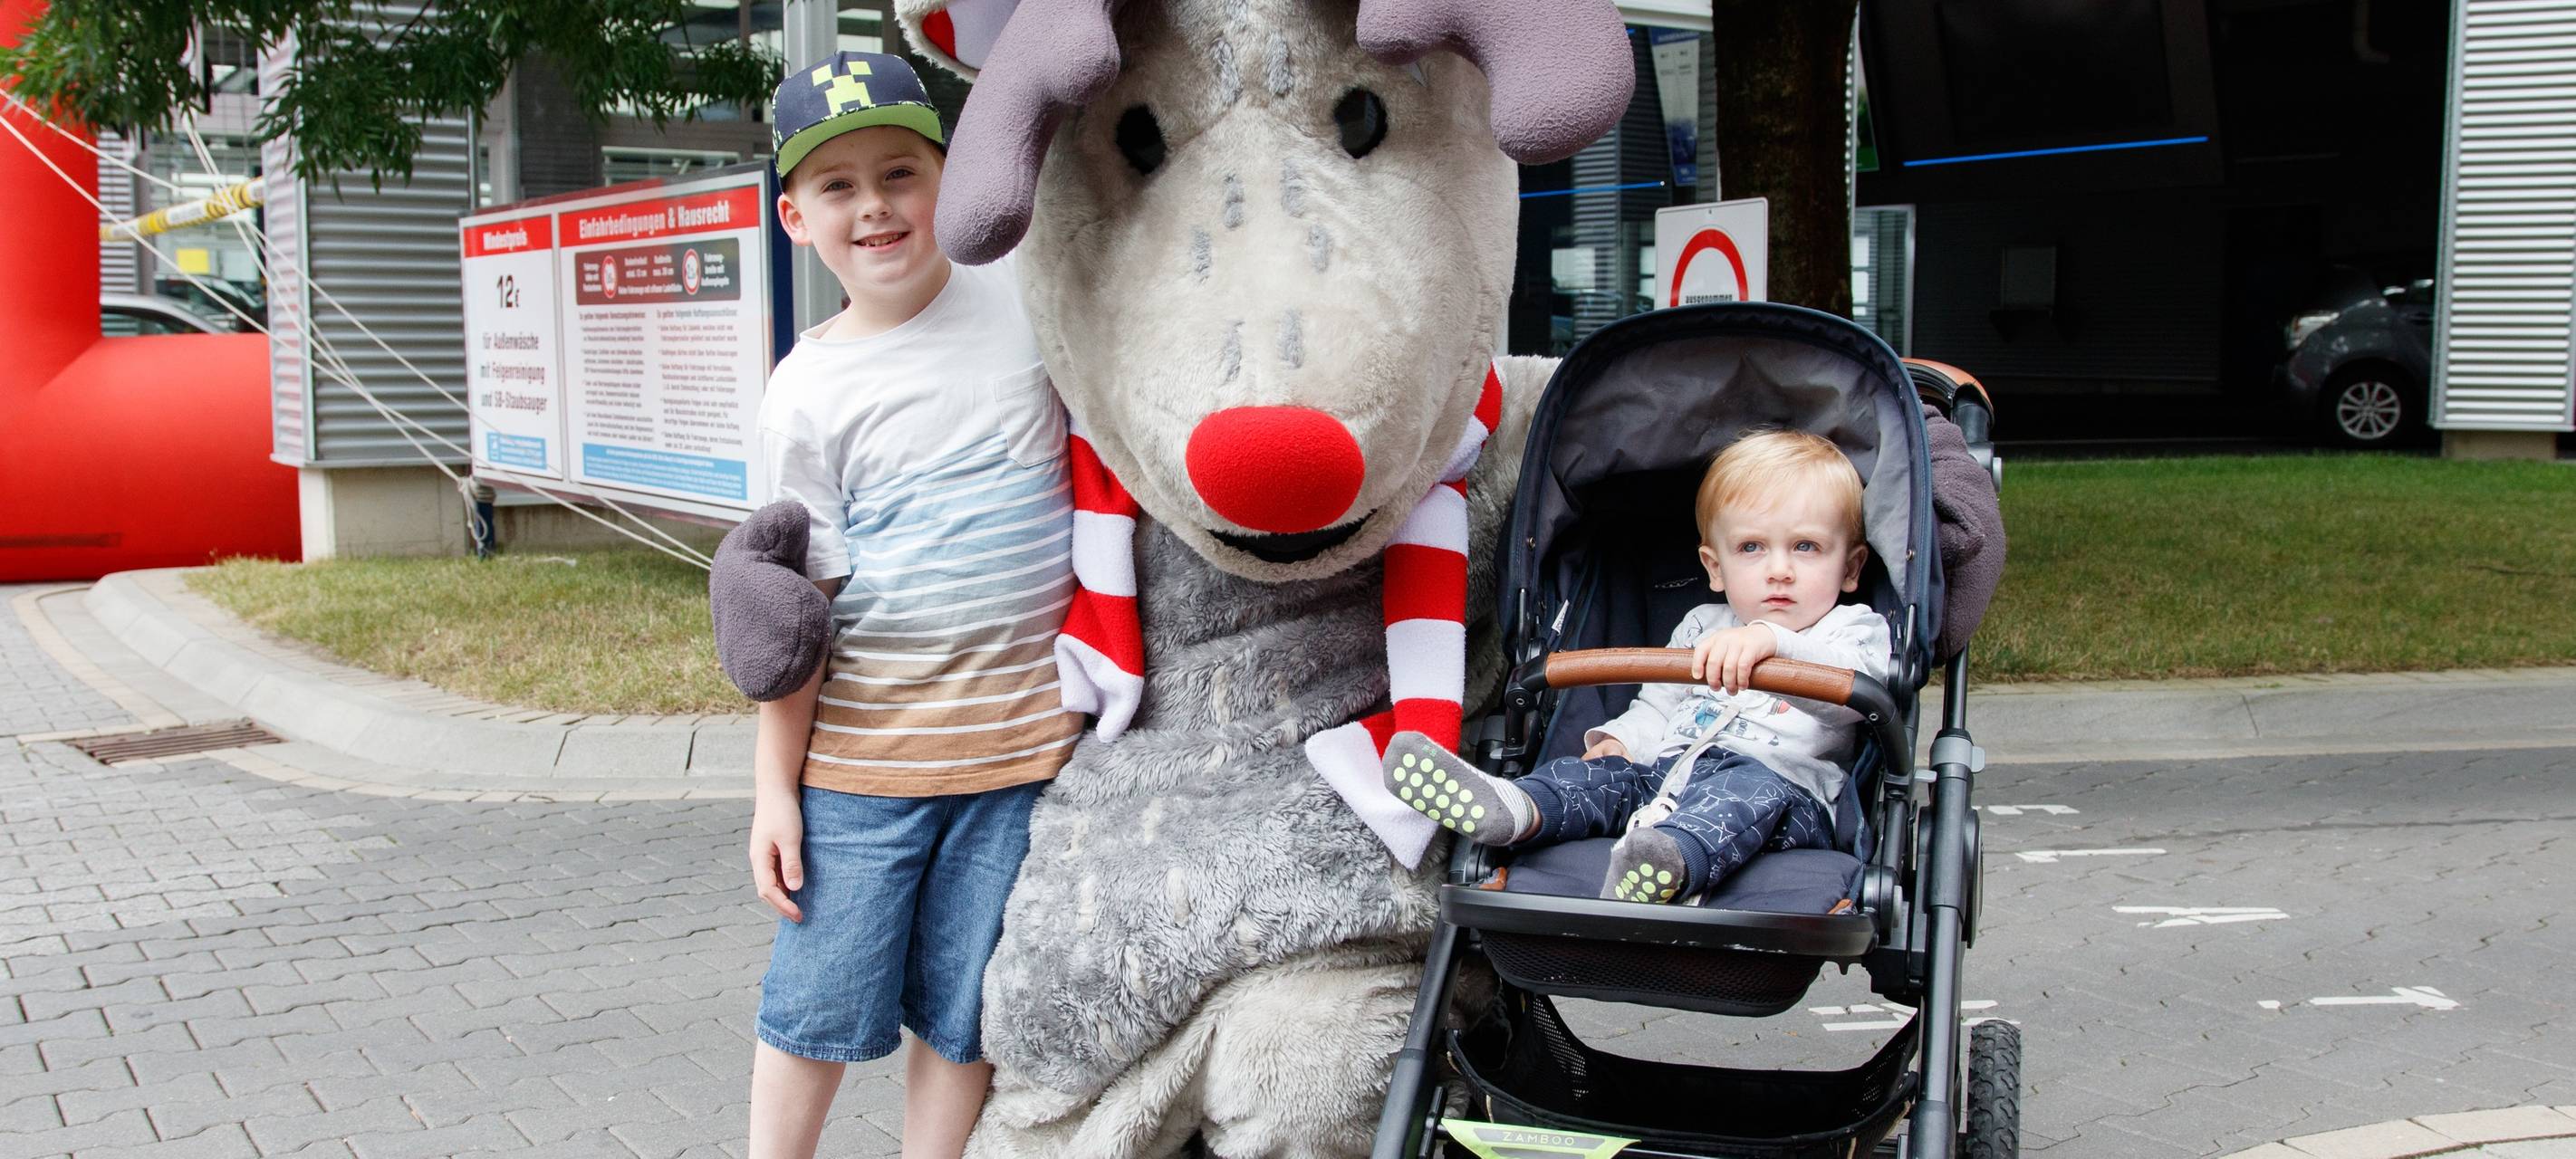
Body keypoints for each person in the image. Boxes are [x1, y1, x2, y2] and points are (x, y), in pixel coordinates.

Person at [743, 51, 1076, 1159]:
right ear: (796, 217)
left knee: (966, 1006)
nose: (875, 206)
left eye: (900, 172)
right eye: (837, 187)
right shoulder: (807, 394)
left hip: (1023, 761)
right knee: (817, 1006)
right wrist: (773, 794)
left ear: (952, 180)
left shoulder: (1029, 298)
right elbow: (795, 623)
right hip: (862, 774)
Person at [1384, 428, 1894, 904]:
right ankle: (1513, 808)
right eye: (1751, 548)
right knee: (1603, 777)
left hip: (1786, 796)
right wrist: (1621, 741)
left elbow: (1852, 697)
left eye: (1806, 547)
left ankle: (1670, 863)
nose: (1780, 570)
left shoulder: (1852, 630)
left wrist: (1772, 642)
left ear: (1849, 568)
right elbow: (1659, 705)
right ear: (1715, 568)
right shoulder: (1701, 626)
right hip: (1668, 776)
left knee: (1740, 792)